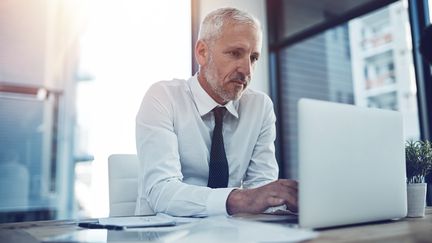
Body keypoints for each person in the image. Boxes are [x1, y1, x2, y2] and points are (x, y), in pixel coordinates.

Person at [135, 7, 298, 217]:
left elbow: (261, 186)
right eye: (235, 53)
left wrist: (282, 201)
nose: (247, 70)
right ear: (202, 52)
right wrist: (242, 198)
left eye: (254, 57)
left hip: (230, 233)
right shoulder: (163, 97)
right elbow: (161, 192)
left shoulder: (260, 107)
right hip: (164, 234)